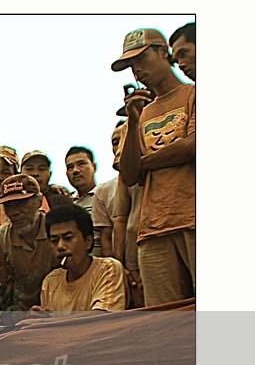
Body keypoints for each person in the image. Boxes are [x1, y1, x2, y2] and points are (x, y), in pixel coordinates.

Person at [112, 27, 196, 306]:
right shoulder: (138, 115)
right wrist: (134, 120)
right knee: (165, 319)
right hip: (152, 229)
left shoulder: (193, 94)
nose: (136, 70)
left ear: (163, 52)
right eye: (130, 65)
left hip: (194, 218)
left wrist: (144, 163)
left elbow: (193, 146)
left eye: (141, 59)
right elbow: (128, 175)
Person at [30, 204, 128, 314]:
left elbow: (101, 318)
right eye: (54, 241)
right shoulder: (51, 281)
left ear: (88, 241)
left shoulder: (107, 269)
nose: (60, 246)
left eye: (68, 238)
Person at [0, 173, 56, 313]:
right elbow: (0, 290)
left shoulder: (56, 231)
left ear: (39, 201)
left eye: (21, 203)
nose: (14, 212)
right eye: (8, 206)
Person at [90, 123, 127, 260]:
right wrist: (116, 267)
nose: (120, 145)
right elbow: (106, 236)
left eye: (125, 137)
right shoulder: (103, 191)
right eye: (115, 142)